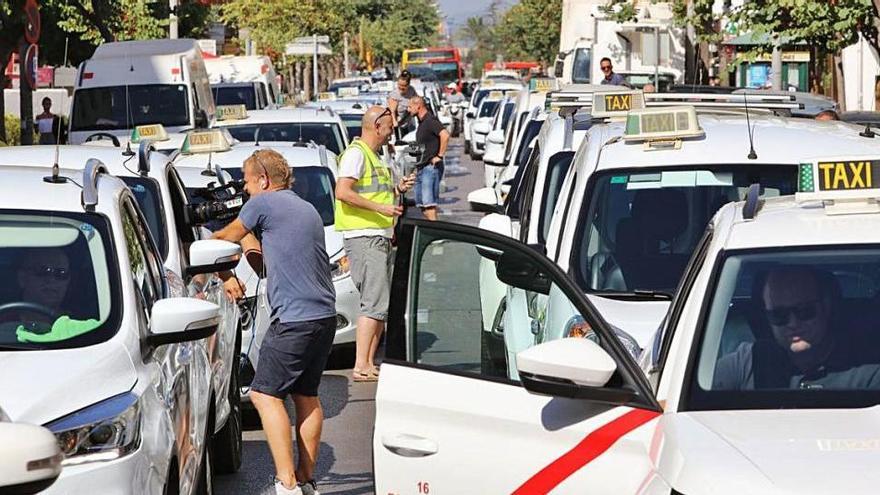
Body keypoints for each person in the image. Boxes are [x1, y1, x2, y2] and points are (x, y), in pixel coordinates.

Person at [212, 149, 337, 495]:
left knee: (265, 394)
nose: (246, 191)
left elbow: (221, 240)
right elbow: (271, 264)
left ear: (263, 180)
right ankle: (307, 479)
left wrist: (224, 275)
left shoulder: (263, 205)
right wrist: (251, 239)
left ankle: (286, 483)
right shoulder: (304, 208)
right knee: (306, 396)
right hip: (322, 315)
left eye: (248, 183)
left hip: (293, 319)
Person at [335, 106, 414, 382]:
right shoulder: (356, 154)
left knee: (379, 302)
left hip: (377, 235)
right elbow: (343, 191)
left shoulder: (375, 156)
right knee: (372, 302)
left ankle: (369, 361)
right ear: (376, 126)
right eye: (389, 128)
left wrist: (398, 189)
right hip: (364, 237)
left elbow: (376, 191)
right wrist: (381, 210)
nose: (391, 133)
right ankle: (361, 364)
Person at [713, 266, 880, 390]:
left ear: (826, 307)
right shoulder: (749, 362)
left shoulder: (869, 371)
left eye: (805, 311)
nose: (793, 323)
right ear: (766, 316)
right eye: (779, 315)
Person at [407, 96, 449, 221]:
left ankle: (436, 235)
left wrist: (439, 156)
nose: (408, 110)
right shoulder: (421, 123)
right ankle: (432, 228)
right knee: (421, 204)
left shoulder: (430, 120)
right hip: (421, 167)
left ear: (418, 106)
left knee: (429, 204)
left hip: (430, 168)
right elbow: (424, 145)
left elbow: (445, 135)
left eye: (410, 107)